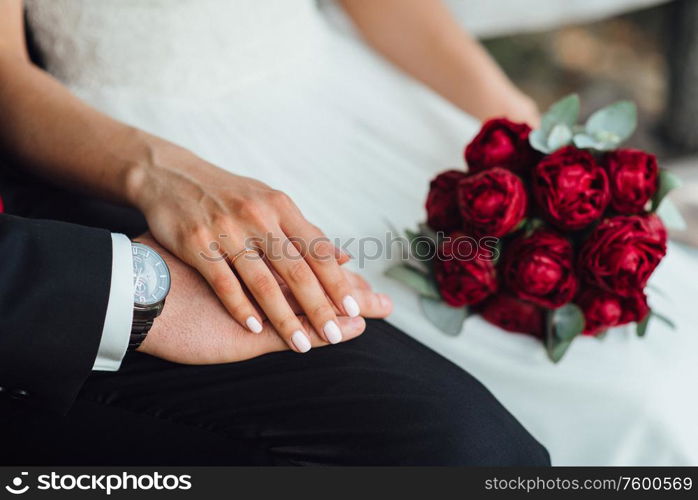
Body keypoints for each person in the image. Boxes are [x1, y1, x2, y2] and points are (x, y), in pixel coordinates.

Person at [0, 0, 551, 464]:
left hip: (351, 104)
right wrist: (162, 179)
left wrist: (525, 132)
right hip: (139, 131)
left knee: (620, 378)